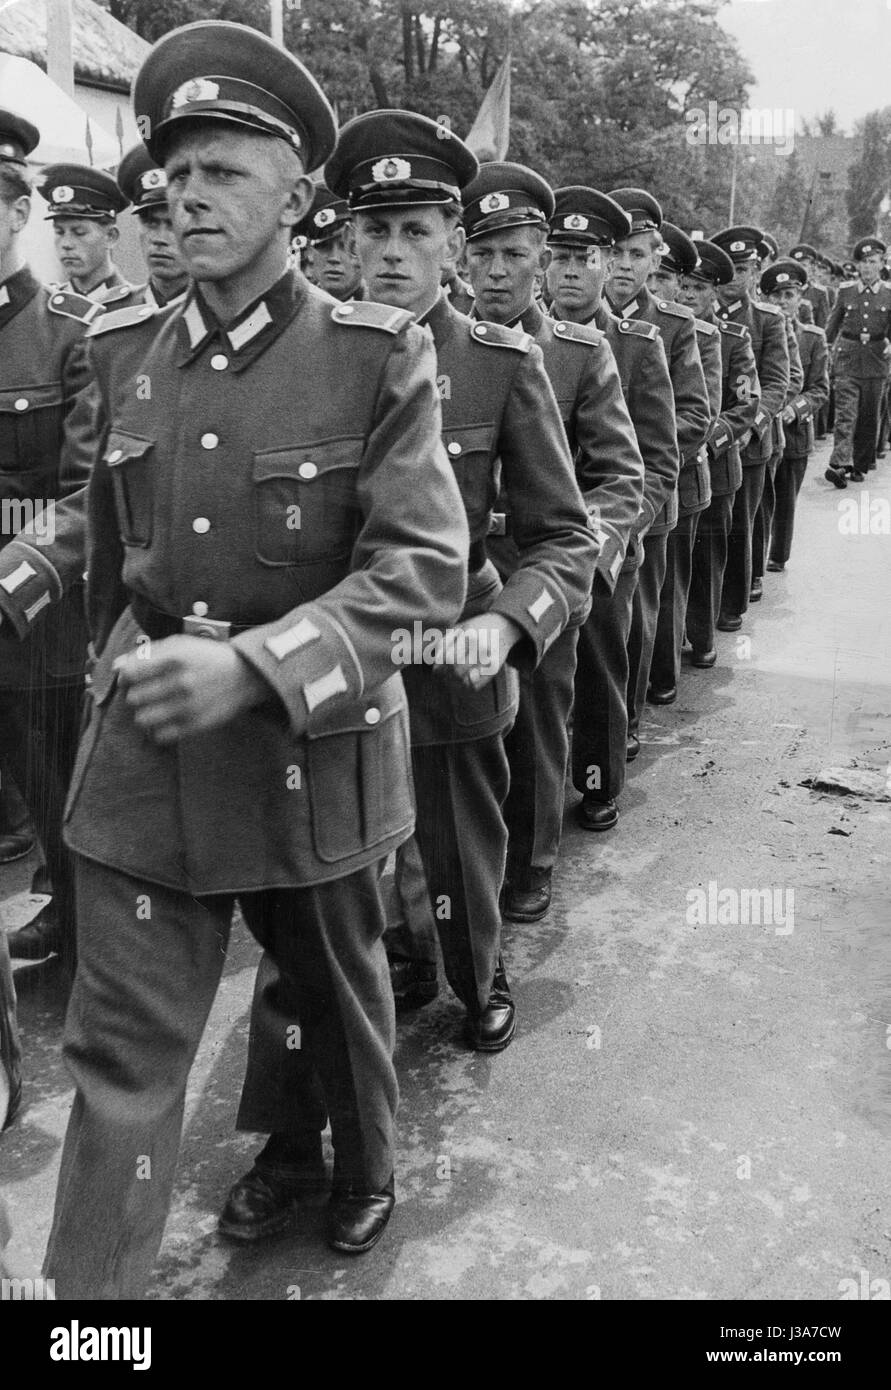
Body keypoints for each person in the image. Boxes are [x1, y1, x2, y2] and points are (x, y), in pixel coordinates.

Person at [0, 22, 472, 1291]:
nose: (189, 195)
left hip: (303, 754)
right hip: (150, 761)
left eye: (224, 169)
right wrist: (64, 613)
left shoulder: (376, 355)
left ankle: (363, 1164)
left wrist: (263, 665)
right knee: (123, 1070)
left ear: (298, 194)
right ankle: (94, 1321)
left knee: (332, 992)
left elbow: (420, 573)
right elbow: (103, 542)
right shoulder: (121, 351)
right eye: (177, 173)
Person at [218, 113, 596, 1246]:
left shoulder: (500, 363)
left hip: (446, 669)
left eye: (416, 230)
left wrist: (509, 627)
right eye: (371, 227)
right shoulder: (303, 360)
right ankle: (294, 1143)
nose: (388, 251)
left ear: (451, 243)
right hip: (325, 694)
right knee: (303, 939)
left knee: (456, 858)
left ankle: (475, 975)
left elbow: (564, 535)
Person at [460, 162, 643, 920]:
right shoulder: (433, 344)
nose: (497, 272)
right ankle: (453, 880)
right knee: (455, 741)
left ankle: (528, 864)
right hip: (454, 571)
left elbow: (620, 477)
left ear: (540, 255)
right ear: (462, 258)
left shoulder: (574, 352)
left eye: (514, 253)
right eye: (483, 254)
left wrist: (579, 569)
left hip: (540, 566)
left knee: (536, 723)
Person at [544, 186, 677, 823]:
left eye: (587, 257)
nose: (571, 269)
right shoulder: (513, 337)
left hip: (606, 537)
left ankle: (597, 780)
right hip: (532, 537)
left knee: (599, 665)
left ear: (608, 264)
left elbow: (656, 462)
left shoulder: (635, 343)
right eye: (560, 255)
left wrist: (615, 538)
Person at [0, 110, 97, 969]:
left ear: (16, 214)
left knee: (56, 794)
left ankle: (86, 927)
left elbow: (87, 492)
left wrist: (15, 580)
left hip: (34, 627)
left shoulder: (68, 332)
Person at [605, 188, 710, 740]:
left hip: (648, 499)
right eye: (616, 251)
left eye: (638, 254)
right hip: (581, 504)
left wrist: (642, 476)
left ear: (654, 261)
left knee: (636, 622)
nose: (625, 265)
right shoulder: (568, 318)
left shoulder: (672, 325)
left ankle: (624, 727)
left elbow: (691, 416)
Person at [647, 223, 720, 701]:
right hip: (624, 484)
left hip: (680, 478)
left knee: (669, 587)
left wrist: (644, 454)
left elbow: (702, 411)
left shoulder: (695, 333)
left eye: (664, 280)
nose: (655, 287)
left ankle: (662, 676)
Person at [679, 238, 760, 668]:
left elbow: (745, 404)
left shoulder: (732, 340)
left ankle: (702, 635)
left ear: (715, 292)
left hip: (716, 465)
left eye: (698, 288)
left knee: (707, 557)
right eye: (683, 285)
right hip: (674, 466)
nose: (688, 295)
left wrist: (709, 438)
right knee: (674, 563)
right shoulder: (668, 331)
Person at [710, 225, 790, 631]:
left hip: (752, 440)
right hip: (709, 434)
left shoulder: (767, 320)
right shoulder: (697, 316)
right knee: (710, 528)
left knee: (742, 522)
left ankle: (731, 605)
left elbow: (778, 382)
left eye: (742, 270)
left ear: (755, 272)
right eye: (727, 270)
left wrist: (752, 425)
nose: (733, 279)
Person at [761, 259, 829, 571]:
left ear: (799, 298)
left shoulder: (812, 338)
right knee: (759, 500)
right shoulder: (758, 332)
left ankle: (777, 555)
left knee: (786, 499)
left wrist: (794, 409)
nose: (783, 302)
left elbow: (819, 389)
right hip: (763, 431)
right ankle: (754, 562)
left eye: (789, 295)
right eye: (776, 296)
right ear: (766, 299)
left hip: (794, 432)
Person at [824, 237, 891, 487]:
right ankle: (839, 463)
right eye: (863, 262)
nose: (867, 267)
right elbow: (831, 326)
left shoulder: (888, 294)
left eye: (872, 262)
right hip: (848, 360)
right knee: (846, 414)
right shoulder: (846, 291)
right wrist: (824, 349)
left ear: (881, 264)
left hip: (876, 361)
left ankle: (860, 464)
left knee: (868, 417)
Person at [38, 163, 139, 306]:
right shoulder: (44, 307)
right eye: (59, 232)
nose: (66, 244)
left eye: (79, 233)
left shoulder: (137, 305)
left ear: (110, 236)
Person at [116, 143, 190, 307]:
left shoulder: (223, 317)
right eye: (150, 222)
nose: (159, 239)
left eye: (172, 224)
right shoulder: (110, 314)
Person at [297, 184, 365, 301]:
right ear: (310, 254)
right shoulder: (293, 313)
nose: (334, 258)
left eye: (345, 246)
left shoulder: (384, 313)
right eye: (323, 246)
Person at [789, 244, 830, 329]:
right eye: (795, 265)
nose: (798, 269)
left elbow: (821, 326)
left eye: (803, 265)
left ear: (812, 268)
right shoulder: (780, 289)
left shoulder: (819, 293)